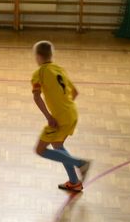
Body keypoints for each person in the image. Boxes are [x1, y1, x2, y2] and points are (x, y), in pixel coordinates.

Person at [31, 41, 91, 193]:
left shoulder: (39, 73)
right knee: (58, 146)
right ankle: (74, 182)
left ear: (38, 56)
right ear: (51, 55)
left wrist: (49, 116)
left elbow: (37, 97)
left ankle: (80, 163)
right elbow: (75, 92)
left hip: (60, 118)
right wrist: (64, 107)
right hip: (72, 113)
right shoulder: (59, 69)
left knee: (40, 150)